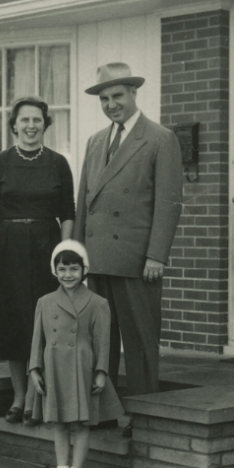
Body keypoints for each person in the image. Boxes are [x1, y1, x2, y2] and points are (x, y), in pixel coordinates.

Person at [73, 63, 184, 437]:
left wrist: (157, 254)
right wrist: (77, 255)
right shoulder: (94, 141)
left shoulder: (159, 138)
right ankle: (101, 413)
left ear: (134, 94)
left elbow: (168, 202)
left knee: (138, 343)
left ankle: (145, 418)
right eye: (104, 99)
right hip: (98, 258)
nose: (110, 105)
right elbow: (82, 205)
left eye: (117, 96)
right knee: (99, 341)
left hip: (137, 260)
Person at [0, 96, 75, 426]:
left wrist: (64, 257)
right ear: (14, 125)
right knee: (15, 324)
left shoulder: (58, 163)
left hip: (47, 249)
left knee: (48, 323)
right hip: (8, 248)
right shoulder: (0, 163)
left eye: (37, 120)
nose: (31, 125)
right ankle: (20, 397)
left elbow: (68, 213)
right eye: (25, 120)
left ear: (45, 125)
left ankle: (41, 399)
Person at [28, 240, 124, 468]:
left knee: (82, 424)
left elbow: (104, 342)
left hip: (82, 368)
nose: (67, 275)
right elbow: (38, 339)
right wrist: (35, 369)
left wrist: (102, 371)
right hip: (54, 367)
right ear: (54, 271)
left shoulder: (97, 302)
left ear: (84, 271)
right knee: (58, 423)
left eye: (73, 269)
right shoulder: (45, 302)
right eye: (62, 269)